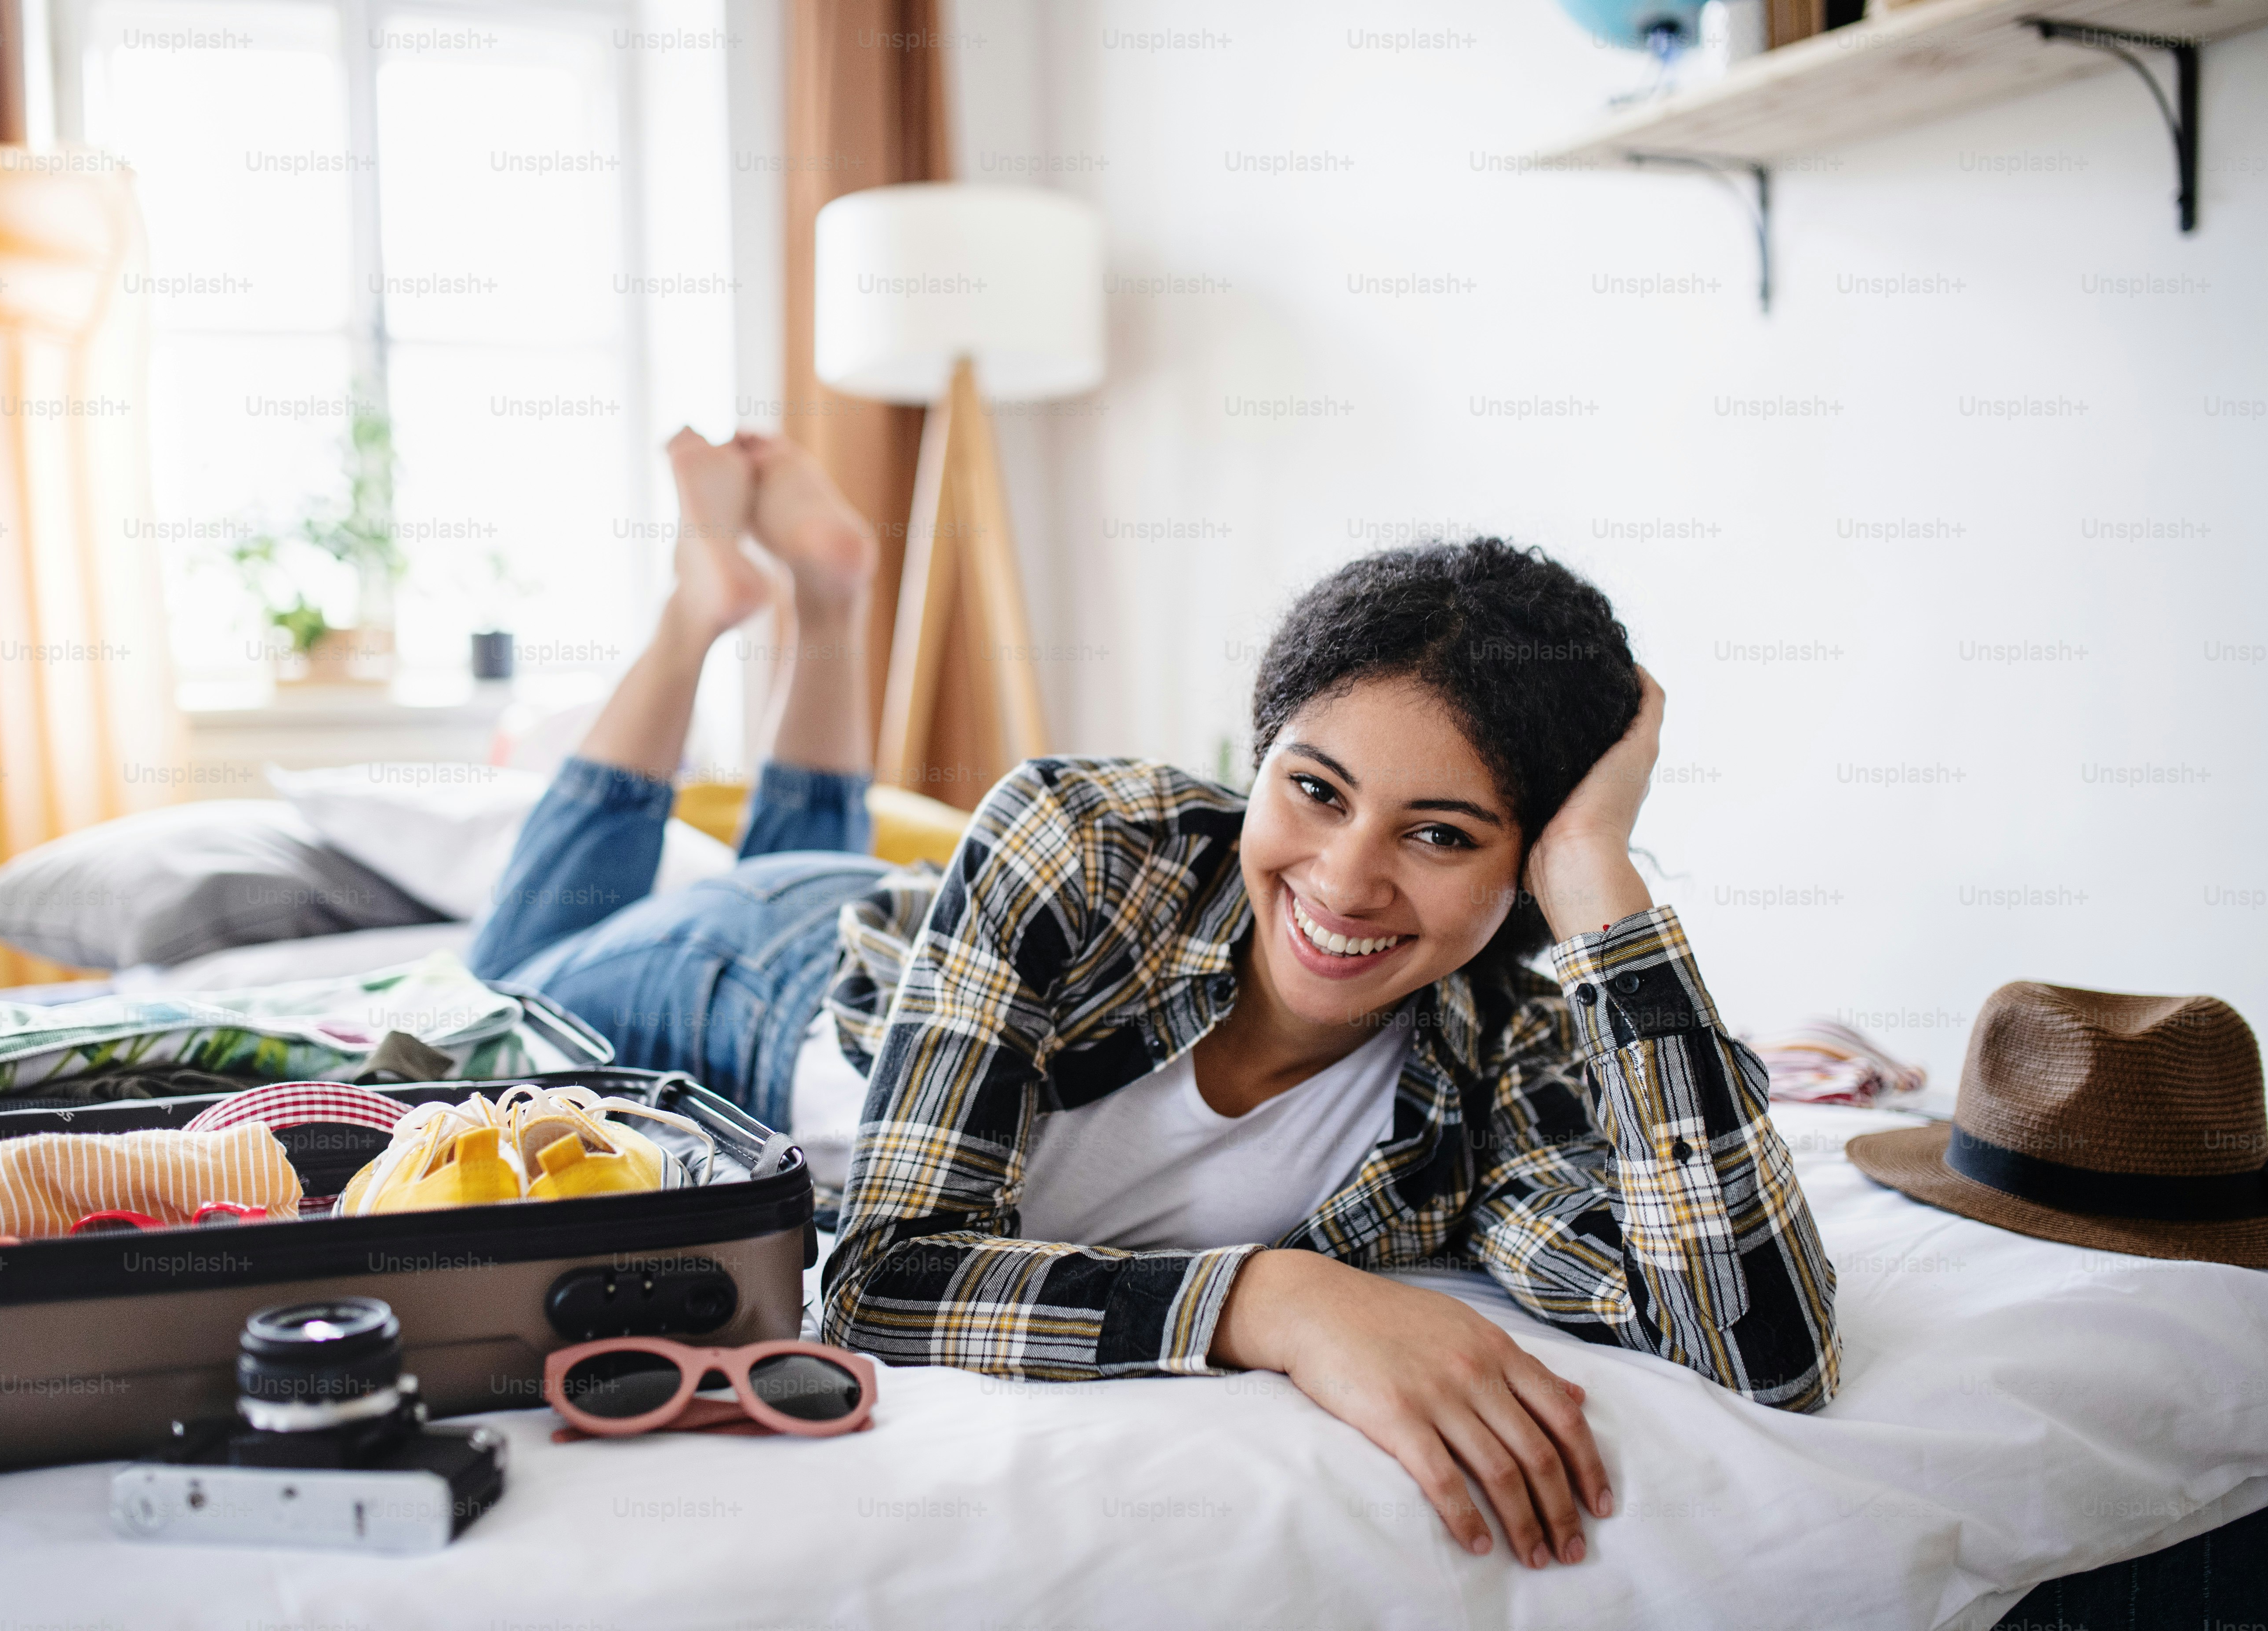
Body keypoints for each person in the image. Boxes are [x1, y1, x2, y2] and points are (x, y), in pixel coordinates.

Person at [471, 429, 1840, 1573]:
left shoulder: (1505, 1067)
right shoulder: (1081, 836)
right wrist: (1276, 1300)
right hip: (757, 979)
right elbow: (881, 1282)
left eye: (1441, 835)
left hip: (887, 919)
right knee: (511, 963)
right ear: (1260, 760)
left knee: (738, 861)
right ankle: (704, 613)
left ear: (1526, 864)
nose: (1344, 881)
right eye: (1314, 790)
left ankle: (819, 603)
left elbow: (1759, 1350)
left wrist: (1603, 889)